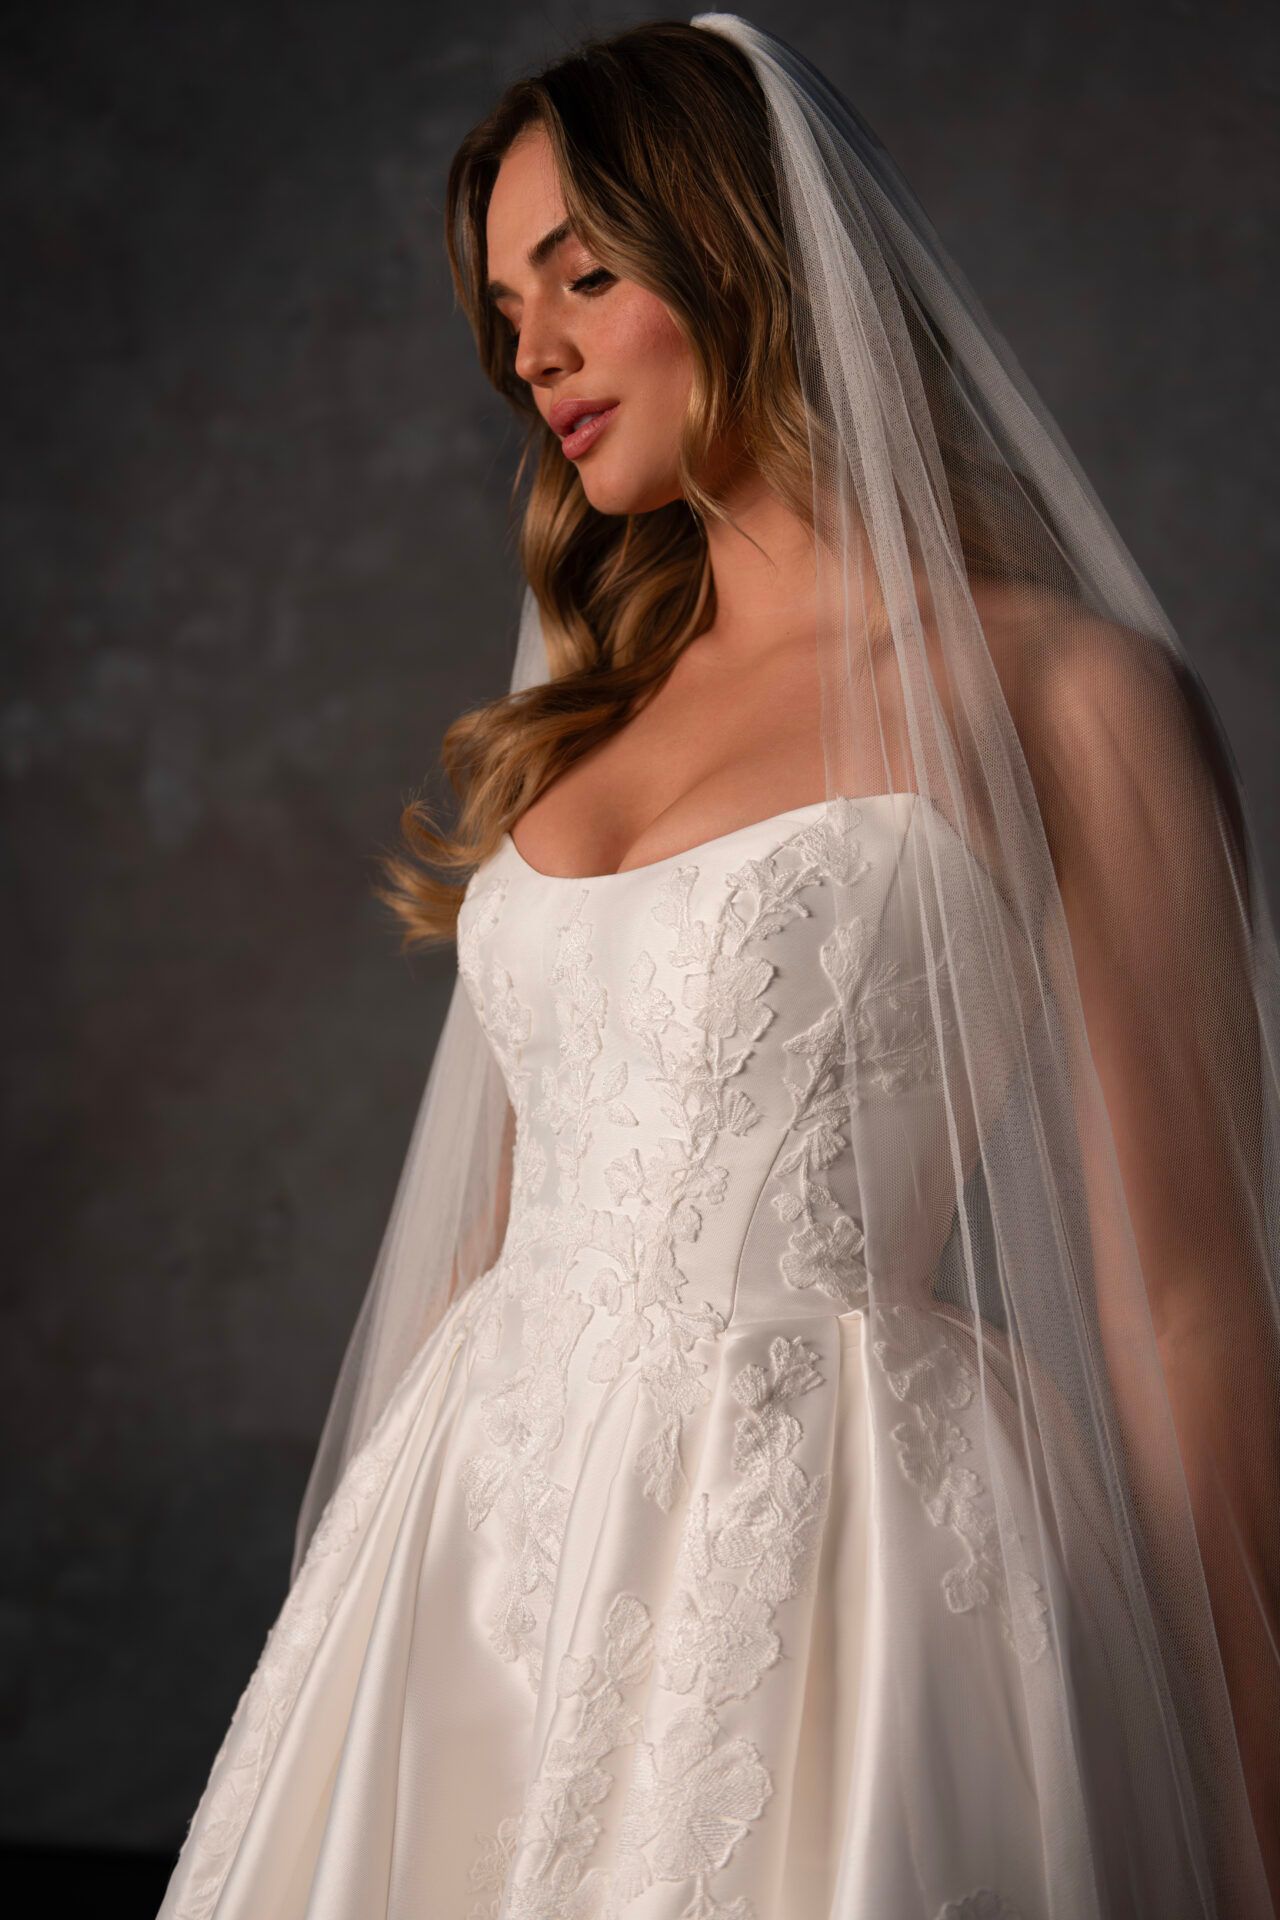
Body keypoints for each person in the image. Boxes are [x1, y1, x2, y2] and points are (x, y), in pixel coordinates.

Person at [157, 15, 1280, 1918]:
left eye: (584, 273)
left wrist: (1254, 1803)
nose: (534, 349)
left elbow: (1186, 1299)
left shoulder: (1063, 695)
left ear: (742, 252)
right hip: (476, 1554)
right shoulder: (577, 725)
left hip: (830, 1564)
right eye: (508, 303)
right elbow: (503, 1234)